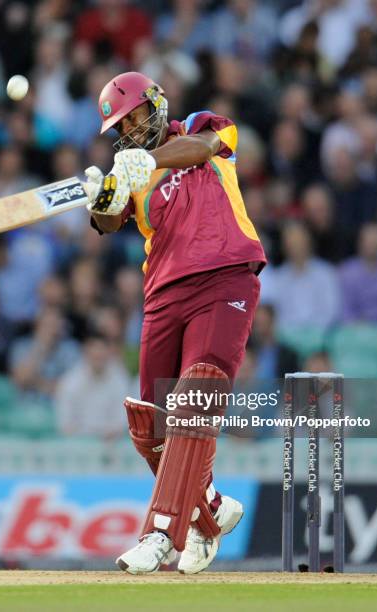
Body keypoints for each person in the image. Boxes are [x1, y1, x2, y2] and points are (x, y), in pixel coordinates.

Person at [84, 72, 266, 574]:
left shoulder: (202, 127)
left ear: (157, 105)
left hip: (225, 276)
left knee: (194, 398)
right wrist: (103, 196)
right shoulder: (128, 170)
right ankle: (208, 510)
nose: (132, 132)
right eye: (123, 128)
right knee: (150, 422)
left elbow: (205, 146)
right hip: (163, 293)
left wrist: (150, 159)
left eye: (137, 117)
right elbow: (105, 224)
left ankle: (162, 532)